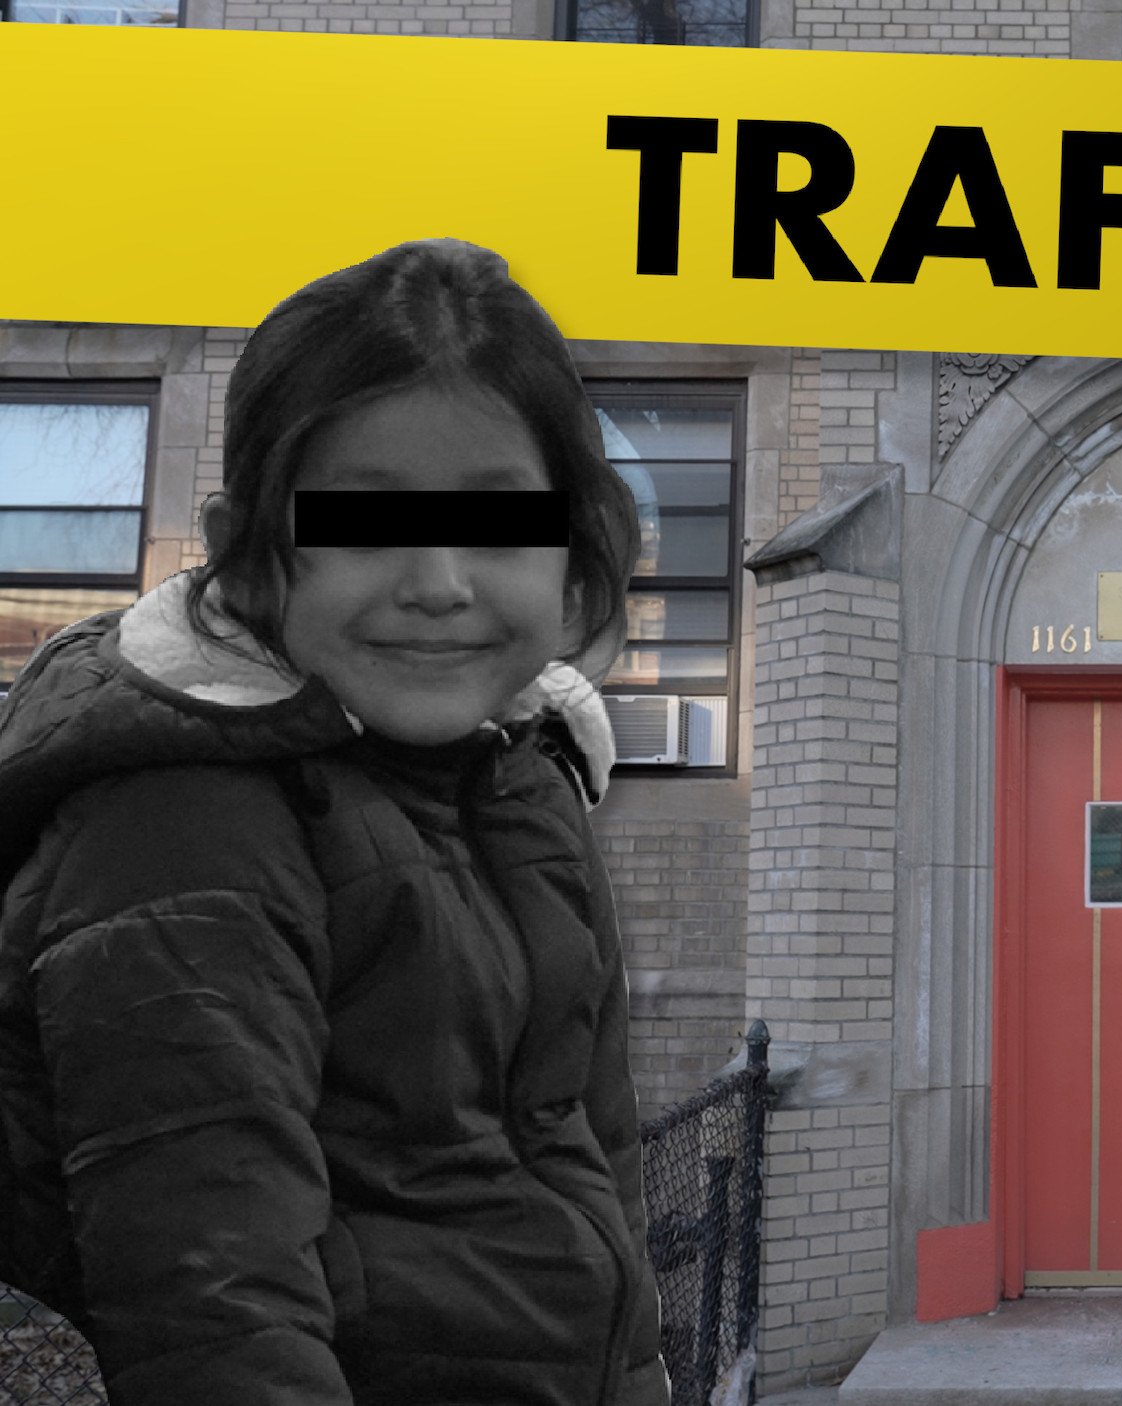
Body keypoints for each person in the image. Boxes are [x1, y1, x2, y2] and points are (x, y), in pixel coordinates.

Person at [0, 239, 670, 1404]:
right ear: (247, 553)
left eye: (500, 522)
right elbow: (210, 1305)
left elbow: (594, 1168)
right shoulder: (180, 823)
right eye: (365, 519)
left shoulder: (525, 782)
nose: (439, 581)